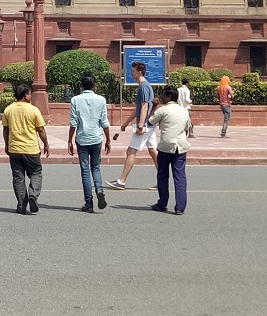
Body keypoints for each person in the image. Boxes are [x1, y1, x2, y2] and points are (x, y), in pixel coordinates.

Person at [1, 82, 50, 214]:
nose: (31, 96)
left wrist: (6, 144)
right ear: (25, 95)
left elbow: (6, 130)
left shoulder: (9, 109)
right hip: (31, 149)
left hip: (15, 149)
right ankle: (33, 195)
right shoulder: (33, 110)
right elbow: (40, 130)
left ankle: (22, 204)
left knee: (18, 177)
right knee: (36, 173)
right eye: (30, 94)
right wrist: (46, 144)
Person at [67, 71, 111, 212]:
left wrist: (69, 141)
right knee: (96, 167)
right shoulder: (101, 100)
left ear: (82, 85)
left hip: (82, 138)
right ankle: (99, 189)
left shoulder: (75, 100)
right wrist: (108, 139)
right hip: (96, 138)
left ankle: (89, 202)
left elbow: (73, 123)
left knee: (85, 170)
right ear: (94, 85)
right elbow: (104, 122)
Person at [107, 62, 155, 190]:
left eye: (133, 71)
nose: (131, 73)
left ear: (139, 72)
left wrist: (140, 125)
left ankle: (121, 181)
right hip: (149, 124)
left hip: (144, 124)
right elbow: (138, 108)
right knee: (153, 151)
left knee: (131, 151)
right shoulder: (144, 86)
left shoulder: (144, 87)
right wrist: (126, 122)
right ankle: (162, 180)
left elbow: (144, 106)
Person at [146, 85, 194, 214]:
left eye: (163, 95)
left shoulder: (163, 110)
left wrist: (154, 107)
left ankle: (162, 203)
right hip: (181, 146)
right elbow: (186, 128)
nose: (162, 97)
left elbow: (150, 122)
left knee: (162, 175)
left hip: (166, 146)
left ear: (168, 96)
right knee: (180, 176)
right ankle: (180, 207)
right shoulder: (184, 111)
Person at [217, 73, 234, 138]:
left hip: (221, 104)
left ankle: (223, 132)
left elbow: (217, 96)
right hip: (227, 104)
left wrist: (220, 100)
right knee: (227, 119)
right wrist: (231, 98)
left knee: (226, 118)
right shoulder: (228, 87)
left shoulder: (219, 88)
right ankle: (223, 133)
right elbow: (232, 95)